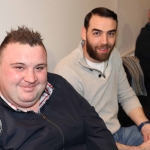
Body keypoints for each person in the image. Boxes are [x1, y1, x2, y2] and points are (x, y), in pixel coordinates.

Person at [0, 26, 118, 150]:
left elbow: (96, 128)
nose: (31, 78)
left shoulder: (58, 84)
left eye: (39, 67)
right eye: (19, 67)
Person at [54, 7, 150, 150]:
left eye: (110, 33)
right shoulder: (67, 73)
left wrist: (145, 125)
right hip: (94, 143)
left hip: (119, 132)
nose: (105, 41)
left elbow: (126, 95)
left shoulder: (114, 55)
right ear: (84, 33)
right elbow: (80, 136)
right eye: (97, 33)